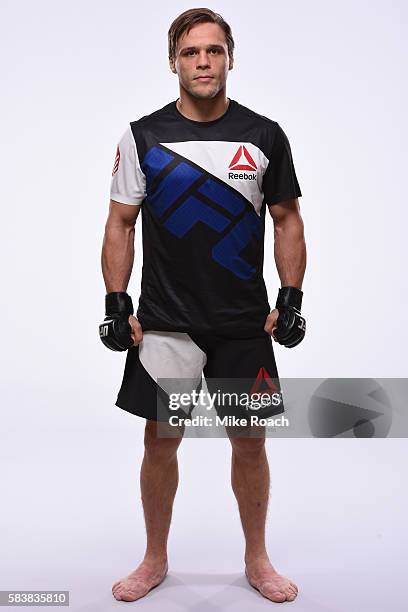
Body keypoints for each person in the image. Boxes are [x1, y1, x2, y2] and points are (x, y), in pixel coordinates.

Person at [100, 7, 306, 604]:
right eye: (191, 53)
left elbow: (288, 220)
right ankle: (154, 559)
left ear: (231, 57)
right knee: (160, 441)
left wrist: (291, 296)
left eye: (213, 51)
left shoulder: (265, 136)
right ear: (173, 62)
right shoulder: (143, 137)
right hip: (165, 322)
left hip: (243, 322)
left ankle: (257, 560)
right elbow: (120, 223)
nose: (203, 63)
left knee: (250, 441)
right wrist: (117, 301)